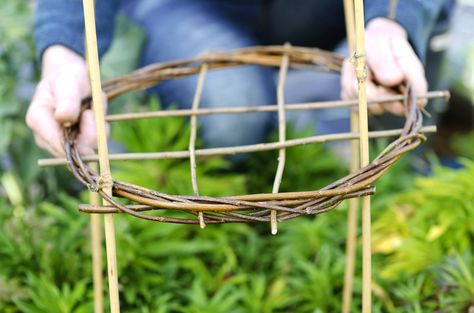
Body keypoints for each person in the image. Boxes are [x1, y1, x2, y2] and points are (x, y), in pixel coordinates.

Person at [26, 0, 453, 157]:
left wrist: (390, 22)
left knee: (374, 108)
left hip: (331, 14)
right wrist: (66, 52)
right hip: (197, 7)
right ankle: (217, 186)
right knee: (236, 111)